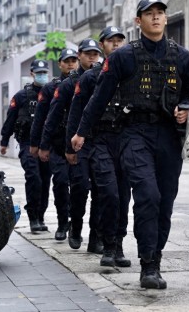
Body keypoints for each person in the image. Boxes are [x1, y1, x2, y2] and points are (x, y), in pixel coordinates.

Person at [71, 0, 189, 289]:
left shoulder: (183, 57)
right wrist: (80, 133)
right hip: (134, 134)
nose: (155, 18)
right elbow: (98, 99)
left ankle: (156, 257)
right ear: (138, 21)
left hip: (168, 137)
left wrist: (186, 107)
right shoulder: (122, 57)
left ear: (165, 19)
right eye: (149, 14)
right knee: (147, 195)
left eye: (160, 13)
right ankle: (147, 266)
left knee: (164, 202)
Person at [67, 26, 131, 267]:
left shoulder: (130, 73)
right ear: (103, 45)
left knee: (124, 196)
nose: (115, 45)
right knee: (108, 194)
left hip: (126, 142)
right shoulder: (90, 77)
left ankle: (119, 245)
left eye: (119, 40)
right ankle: (107, 244)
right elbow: (76, 113)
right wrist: (72, 145)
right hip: (98, 141)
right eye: (110, 41)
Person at [39, 38, 103, 254]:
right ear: (80, 56)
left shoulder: (105, 78)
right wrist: (46, 145)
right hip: (75, 144)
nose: (92, 57)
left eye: (95, 53)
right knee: (79, 188)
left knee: (102, 190)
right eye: (87, 54)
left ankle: (96, 237)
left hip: (101, 141)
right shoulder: (67, 85)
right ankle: (74, 226)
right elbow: (53, 115)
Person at [30, 49, 78, 240]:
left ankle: (76, 222)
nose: (70, 64)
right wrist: (39, 145)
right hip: (57, 144)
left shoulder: (86, 82)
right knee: (59, 182)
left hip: (79, 144)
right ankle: (62, 222)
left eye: (73, 60)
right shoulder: (50, 89)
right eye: (67, 61)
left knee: (80, 186)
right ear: (60, 64)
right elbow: (41, 118)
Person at [0, 59, 52, 233]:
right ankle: (33, 218)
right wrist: (4, 141)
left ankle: (41, 215)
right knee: (34, 177)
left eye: (45, 72)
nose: (42, 75)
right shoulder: (21, 96)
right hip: (27, 143)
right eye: (39, 72)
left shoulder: (53, 93)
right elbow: (11, 119)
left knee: (45, 181)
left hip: (47, 144)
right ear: (32, 74)